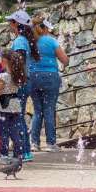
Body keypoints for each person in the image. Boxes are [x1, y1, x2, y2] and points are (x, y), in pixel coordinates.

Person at [29, 14, 70, 152]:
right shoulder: (51, 41)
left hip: (33, 77)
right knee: (49, 110)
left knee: (37, 110)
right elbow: (65, 60)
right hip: (50, 77)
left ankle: (34, 143)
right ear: (44, 28)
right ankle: (51, 144)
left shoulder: (30, 42)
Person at [5, 9, 38, 162]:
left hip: (21, 83)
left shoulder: (19, 41)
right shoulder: (25, 40)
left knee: (17, 118)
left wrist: (14, 80)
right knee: (19, 116)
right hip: (26, 81)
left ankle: (23, 152)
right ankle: (24, 151)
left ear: (16, 24)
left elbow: (19, 61)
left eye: (11, 22)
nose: (9, 25)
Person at [0, 49, 27, 163]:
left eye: (0, 60)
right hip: (15, 105)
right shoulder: (17, 76)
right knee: (15, 131)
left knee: (4, 132)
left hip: (3, 106)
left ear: (4, 61)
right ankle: (18, 154)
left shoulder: (2, 76)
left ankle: (4, 155)